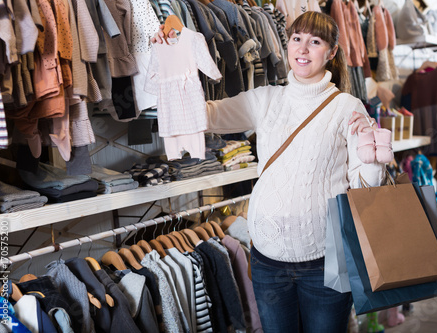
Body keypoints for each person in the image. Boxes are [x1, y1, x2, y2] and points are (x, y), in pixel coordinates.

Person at [153, 11, 386, 333]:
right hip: (266, 258)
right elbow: (201, 118)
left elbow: (368, 186)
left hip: (326, 260)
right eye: (296, 39)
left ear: (331, 52)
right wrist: (173, 58)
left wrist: (372, 156)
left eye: (315, 42)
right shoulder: (266, 99)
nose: (302, 50)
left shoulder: (347, 107)